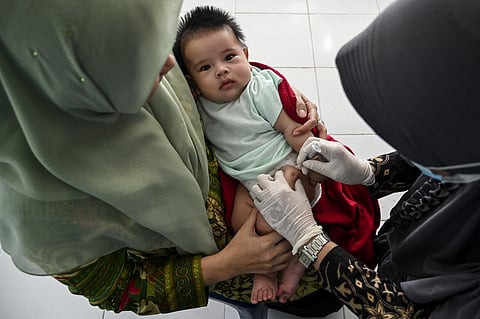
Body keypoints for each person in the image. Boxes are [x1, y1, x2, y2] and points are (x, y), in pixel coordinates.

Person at [0, 0, 327, 316]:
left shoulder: (97, 63)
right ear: (61, 70)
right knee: (321, 291)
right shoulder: (40, 204)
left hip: (252, 169)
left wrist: (281, 100)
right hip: (233, 259)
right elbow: (120, 289)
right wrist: (234, 262)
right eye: (131, 55)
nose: (168, 64)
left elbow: (210, 67)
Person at [251, 0, 480, 318]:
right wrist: (368, 173)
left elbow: (405, 314)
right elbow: (431, 162)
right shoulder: (465, 147)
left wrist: (308, 239)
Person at [173, 6, 380, 305]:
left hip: (289, 169)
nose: (221, 70)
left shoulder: (259, 89)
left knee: (281, 202)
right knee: (240, 222)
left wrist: (312, 158)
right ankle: (280, 261)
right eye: (205, 68)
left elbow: (291, 128)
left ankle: (288, 263)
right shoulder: (201, 106)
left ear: (245, 53)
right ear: (192, 82)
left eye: (229, 57)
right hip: (249, 182)